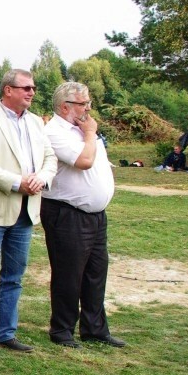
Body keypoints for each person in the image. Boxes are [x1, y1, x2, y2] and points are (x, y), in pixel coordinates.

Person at [0, 69, 57, 357]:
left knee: (14, 277)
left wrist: (41, 177)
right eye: (26, 87)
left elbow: (50, 158)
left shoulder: (36, 123)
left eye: (33, 88)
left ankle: (6, 333)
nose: (32, 92)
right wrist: (17, 182)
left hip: (26, 212)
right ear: (8, 90)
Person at [43, 82, 125, 349]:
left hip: (95, 214)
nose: (88, 108)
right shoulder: (55, 131)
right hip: (67, 212)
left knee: (96, 272)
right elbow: (83, 161)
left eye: (88, 102)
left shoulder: (83, 129)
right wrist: (90, 134)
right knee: (69, 273)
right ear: (65, 107)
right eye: (83, 103)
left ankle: (94, 328)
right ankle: (62, 330)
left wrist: (88, 133)